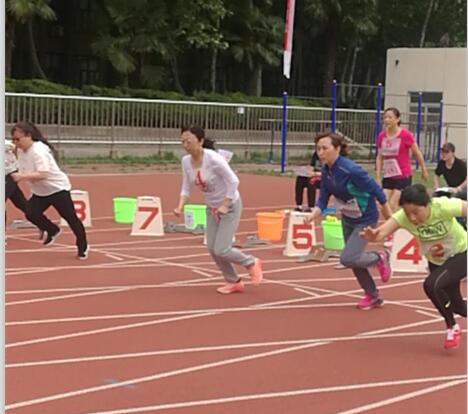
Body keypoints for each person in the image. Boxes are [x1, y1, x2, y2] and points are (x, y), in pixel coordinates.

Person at [361, 184, 467, 349]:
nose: (412, 218)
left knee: (431, 285)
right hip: (437, 261)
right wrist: (373, 236)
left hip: (462, 252)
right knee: (458, 306)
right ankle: (454, 320)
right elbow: (381, 232)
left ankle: (452, 327)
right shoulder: (402, 217)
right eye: (408, 213)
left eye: (416, 212)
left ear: (428, 204)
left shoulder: (442, 206)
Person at [305, 132, 393, 309]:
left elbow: (376, 190)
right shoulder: (326, 170)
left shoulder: (351, 170)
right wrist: (314, 213)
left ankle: (380, 257)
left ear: (337, 149)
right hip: (348, 217)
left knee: (348, 258)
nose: (320, 153)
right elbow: (323, 198)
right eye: (318, 149)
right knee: (354, 259)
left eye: (325, 148)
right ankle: (373, 295)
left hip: (365, 218)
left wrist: (389, 216)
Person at [174, 125, 262, 294]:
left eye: (189, 141)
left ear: (200, 141)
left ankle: (251, 262)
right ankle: (233, 281)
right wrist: (180, 206)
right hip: (212, 207)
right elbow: (186, 186)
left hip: (230, 205)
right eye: (182, 141)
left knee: (222, 248)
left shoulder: (213, 159)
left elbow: (233, 181)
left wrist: (225, 204)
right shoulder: (185, 161)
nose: (185, 145)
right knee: (212, 249)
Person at [10, 121, 89, 260]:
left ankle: (83, 246)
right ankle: (52, 229)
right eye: (13, 139)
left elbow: (43, 174)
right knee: (31, 213)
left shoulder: (39, 151)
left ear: (28, 136)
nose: (16, 143)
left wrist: (22, 176)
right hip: (40, 191)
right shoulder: (20, 150)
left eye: (18, 139)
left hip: (57, 189)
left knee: (70, 218)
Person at [376, 107, 428, 246]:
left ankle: (390, 235)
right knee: (383, 204)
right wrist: (378, 175)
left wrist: (423, 169)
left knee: (393, 204)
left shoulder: (405, 134)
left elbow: (416, 152)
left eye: (390, 117)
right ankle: (397, 227)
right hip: (388, 175)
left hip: (402, 174)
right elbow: (380, 156)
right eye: (385, 117)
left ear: (397, 119)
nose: (387, 120)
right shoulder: (382, 136)